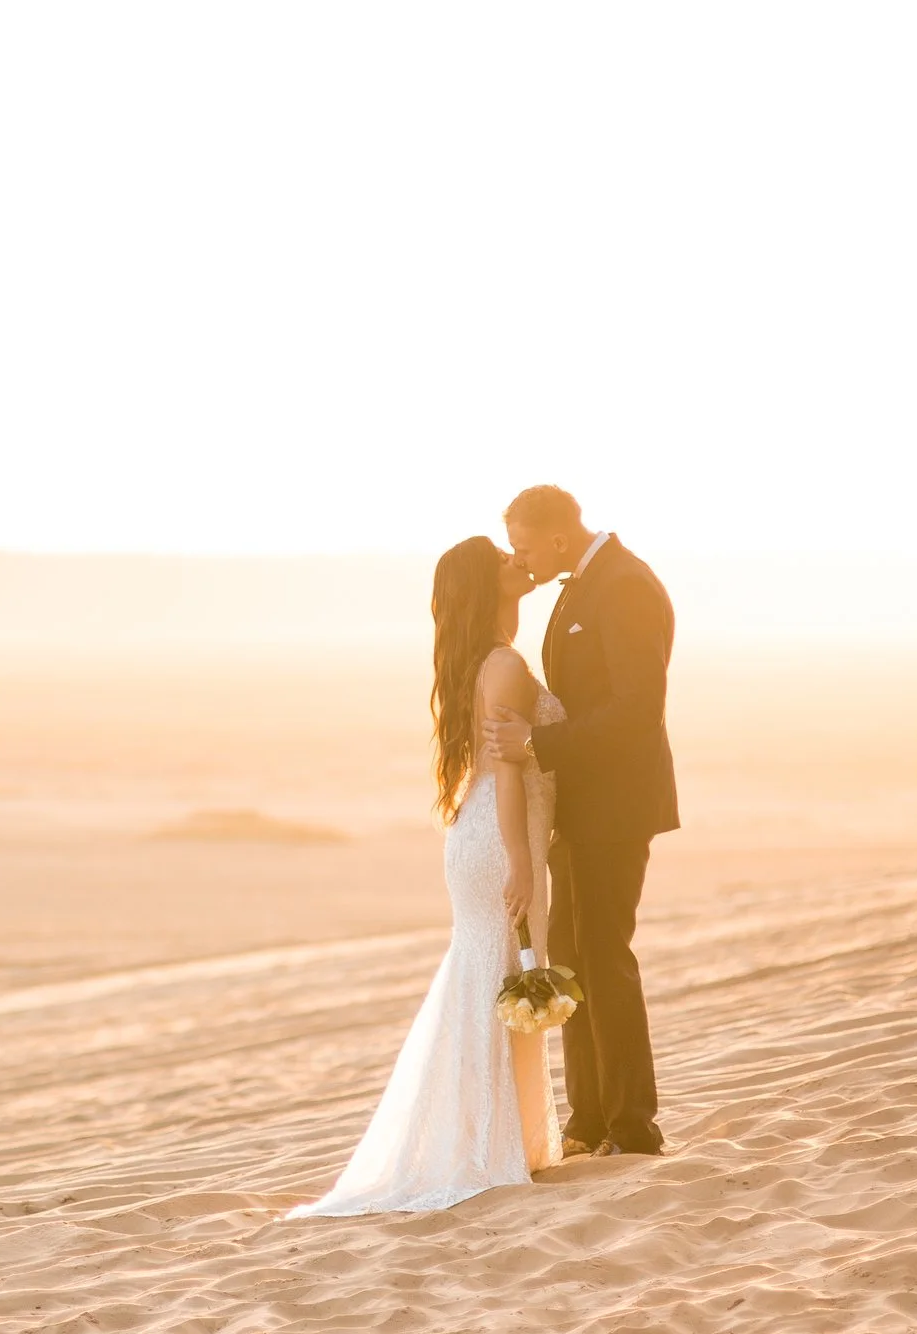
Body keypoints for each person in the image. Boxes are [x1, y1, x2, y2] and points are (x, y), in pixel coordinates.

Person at [286, 535, 562, 1217]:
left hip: (484, 838)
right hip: (497, 841)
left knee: (487, 980)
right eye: (501, 557)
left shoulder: (486, 661)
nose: (514, 560)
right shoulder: (501, 664)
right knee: (495, 978)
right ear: (485, 584)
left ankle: (494, 1137)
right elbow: (506, 770)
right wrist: (523, 861)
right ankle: (483, 1145)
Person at [484, 485, 677, 1158]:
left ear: (559, 539)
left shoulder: (623, 586)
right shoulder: (577, 585)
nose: (522, 560)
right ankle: (587, 1118)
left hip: (617, 807)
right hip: (579, 807)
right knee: (569, 958)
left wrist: (538, 748)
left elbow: (636, 709)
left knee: (603, 954)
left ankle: (633, 1125)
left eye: (525, 547)